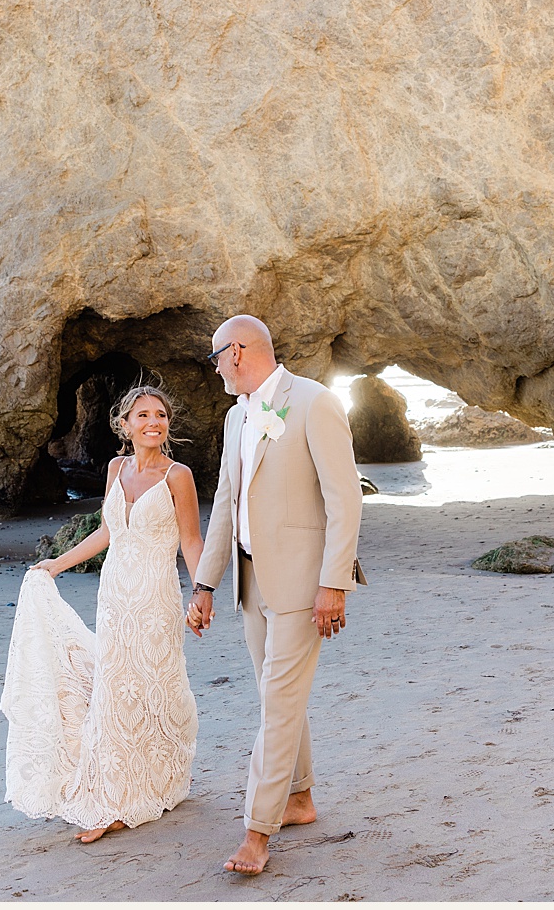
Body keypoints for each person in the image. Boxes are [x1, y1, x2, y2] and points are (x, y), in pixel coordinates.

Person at [187, 314, 363, 874]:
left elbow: (345, 500)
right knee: (276, 698)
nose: (215, 368)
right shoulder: (235, 417)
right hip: (249, 580)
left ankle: (256, 832)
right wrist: (206, 582)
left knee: (279, 705)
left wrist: (333, 582)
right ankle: (300, 799)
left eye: (216, 357)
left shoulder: (314, 403)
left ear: (237, 352)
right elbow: (226, 506)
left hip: (303, 583)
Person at [1, 386, 204, 843]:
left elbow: (192, 540)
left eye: (161, 415)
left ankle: (151, 782)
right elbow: (107, 532)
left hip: (155, 598)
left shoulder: (179, 476)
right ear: (125, 425)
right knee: (116, 691)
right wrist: (56, 564)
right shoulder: (116, 468)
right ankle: (115, 794)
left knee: (154, 686)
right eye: (143, 415)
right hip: (114, 597)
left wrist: (202, 592)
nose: (154, 421)